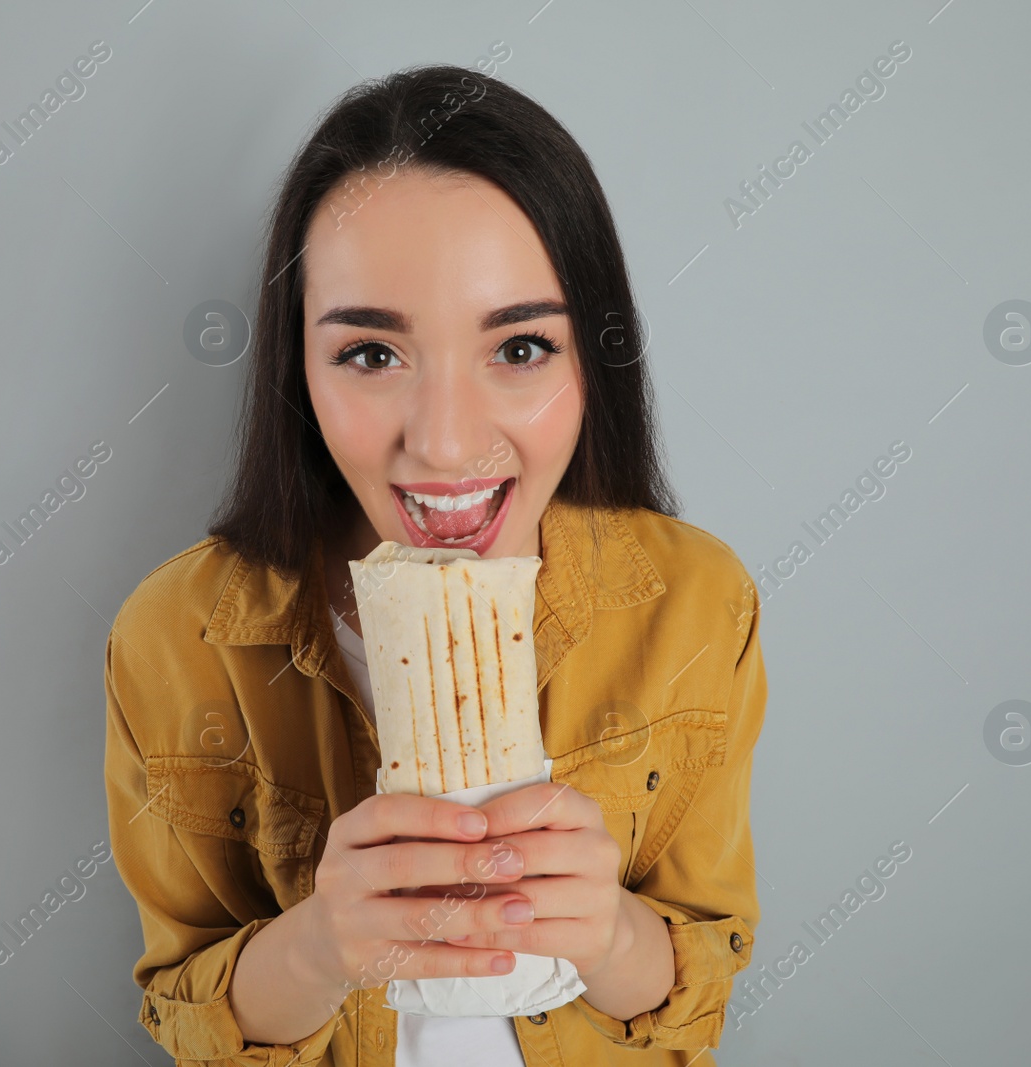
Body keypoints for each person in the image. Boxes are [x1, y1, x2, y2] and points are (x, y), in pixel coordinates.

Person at [103, 63, 767, 1066]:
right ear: (300, 370)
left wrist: (608, 931)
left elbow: (697, 984)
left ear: (593, 358)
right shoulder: (173, 636)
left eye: (521, 347)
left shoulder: (696, 604)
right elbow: (184, 1002)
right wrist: (322, 943)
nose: (448, 445)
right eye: (372, 354)